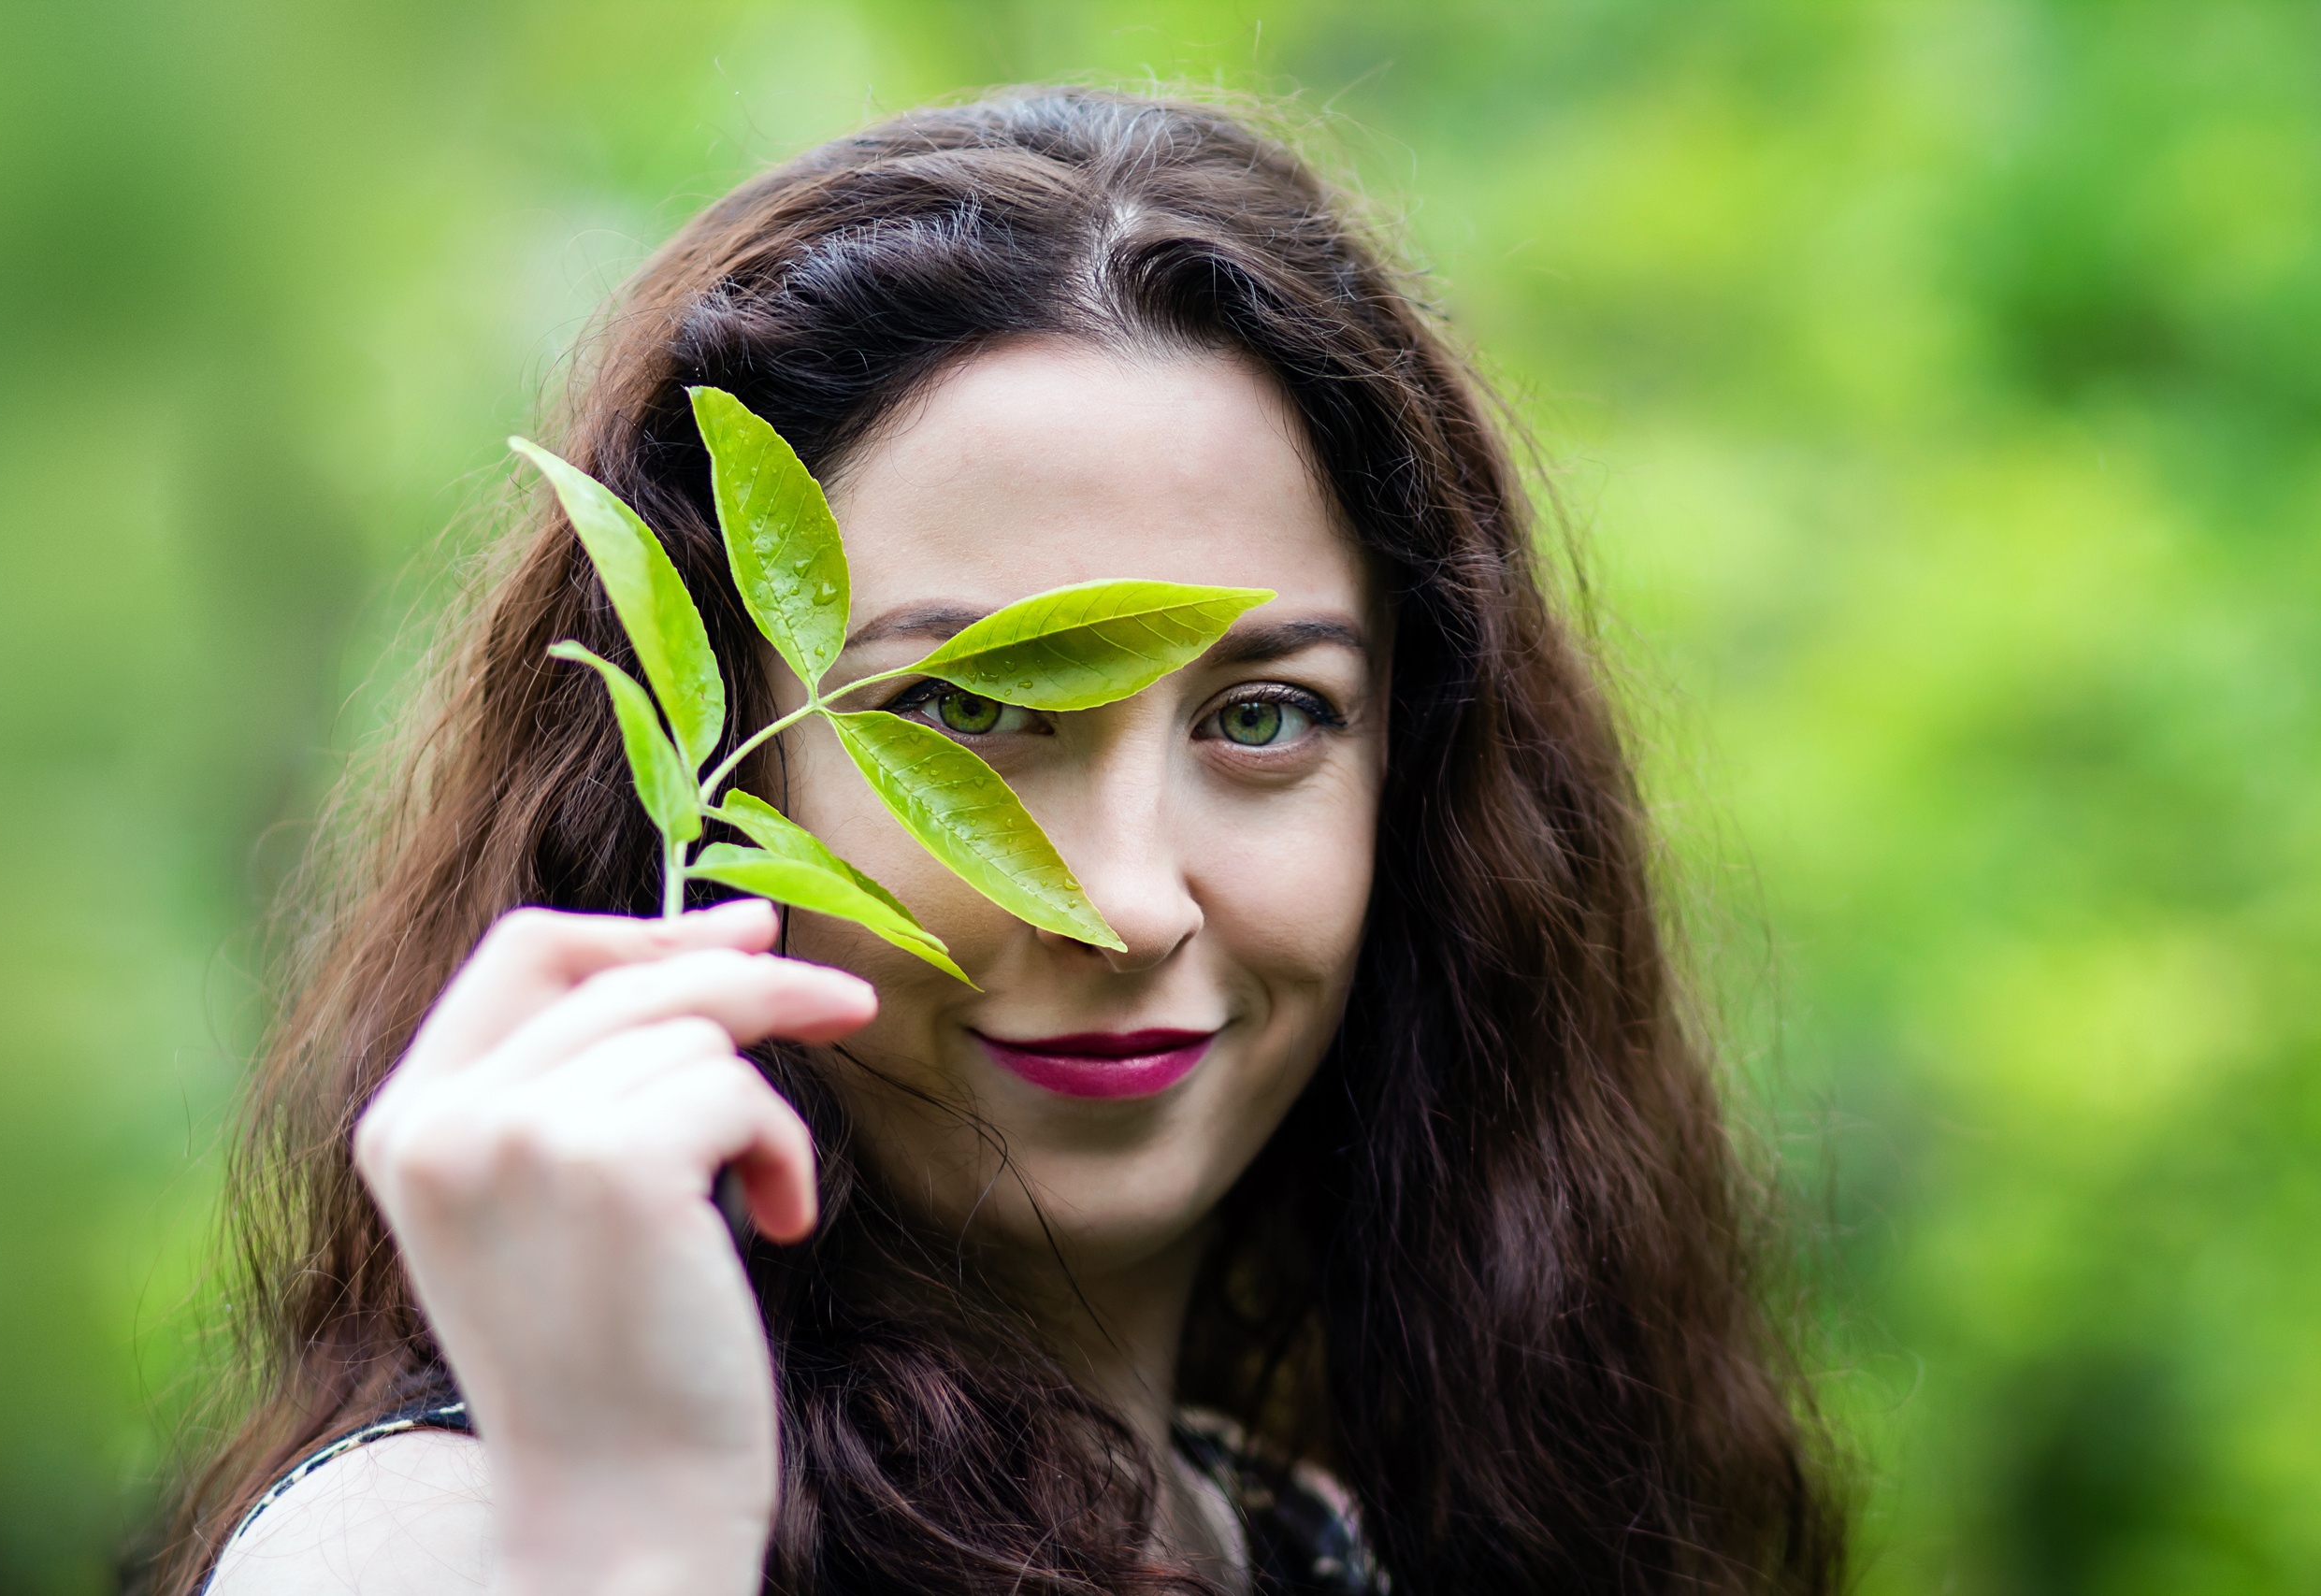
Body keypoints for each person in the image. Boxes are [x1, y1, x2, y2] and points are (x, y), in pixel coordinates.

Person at [166, 87, 1844, 1596]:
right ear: (692, 775)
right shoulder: (447, 1540)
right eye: (961, 715)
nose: (1126, 900)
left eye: (1266, 717)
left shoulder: (1315, 1532)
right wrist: (638, 1541)